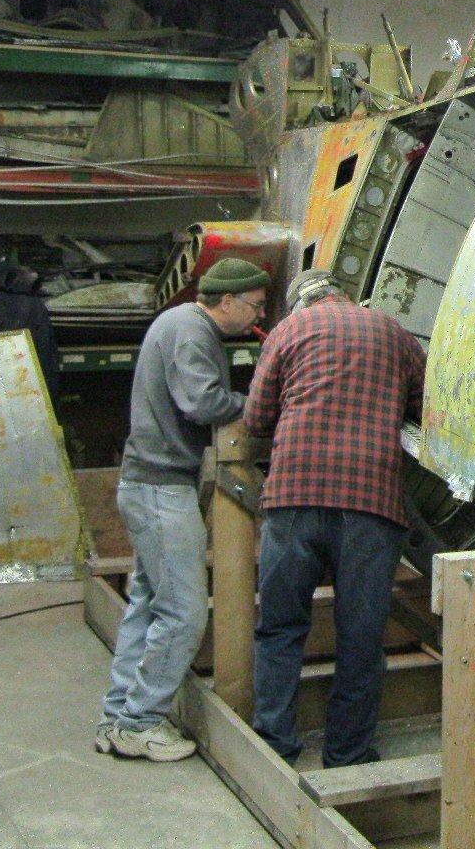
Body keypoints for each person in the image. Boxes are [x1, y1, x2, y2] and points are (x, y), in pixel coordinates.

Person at [245, 269, 425, 768]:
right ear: (343, 295)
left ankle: (274, 748)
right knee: (360, 637)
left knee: (280, 627)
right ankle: (346, 753)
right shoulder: (393, 331)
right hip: (371, 503)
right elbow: (424, 409)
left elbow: (256, 419)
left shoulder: (287, 332)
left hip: (294, 496)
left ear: (301, 303)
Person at [96, 256, 269, 762]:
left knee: (148, 605)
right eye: (255, 308)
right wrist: (260, 402)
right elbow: (204, 404)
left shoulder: (178, 324)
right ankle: (140, 723)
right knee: (185, 613)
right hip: (160, 490)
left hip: (149, 485)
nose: (256, 318)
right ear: (228, 301)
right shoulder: (193, 332)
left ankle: (118, 717)